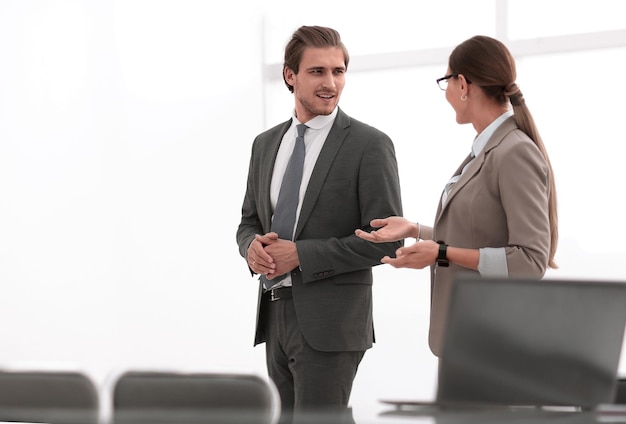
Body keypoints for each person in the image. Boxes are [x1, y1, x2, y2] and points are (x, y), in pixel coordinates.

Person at [236, 25, 403, 423]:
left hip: (332, 322)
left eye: (338, 71)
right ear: (290, 75)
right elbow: (248, 221)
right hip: (275, 314)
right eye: (317, 72)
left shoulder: (369, 144)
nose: (331, 83)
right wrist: (251, 249)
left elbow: (385, 243)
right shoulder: (265, 145)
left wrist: (302, 255)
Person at [355, 35, 558, 357]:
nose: (446, 92)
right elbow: (482, 235)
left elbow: (530, 261)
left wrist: (442, 253)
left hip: (495, 342)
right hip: (470, 338)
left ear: (462, 84)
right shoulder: (486, 151)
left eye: (446, 81)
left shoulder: (514, 152)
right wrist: (415, 230)